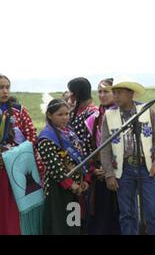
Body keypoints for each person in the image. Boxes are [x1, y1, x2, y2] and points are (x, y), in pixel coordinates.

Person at [100, 77, 155, 235]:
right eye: (114, 93)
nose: (115, 96)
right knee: (127, 213)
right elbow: (105, 147)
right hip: (123, 169)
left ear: (130, 94)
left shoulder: (146, 110)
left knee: (152, 210)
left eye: (119, 93)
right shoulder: (109, 116)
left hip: (146, 166)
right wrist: (109, 173)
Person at [37, 98, 91, 234]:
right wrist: (71, 185)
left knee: (73, 224)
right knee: (60, 225)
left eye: (67, 114)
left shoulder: (69, 132)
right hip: (58, 188)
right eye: (60, 115)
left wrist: (86, 180)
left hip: (77, 187)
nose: (65, 117)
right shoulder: (46, 138)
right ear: (49, 115)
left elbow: (83, 157)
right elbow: (54, 167)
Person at [0, 74, 44, 235]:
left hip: (15, 166)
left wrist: (14, 153)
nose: (5, 91)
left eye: (7, 87)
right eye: (1, 88)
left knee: (15, 206)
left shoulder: (18, 110)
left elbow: (32, 135)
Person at [84, 78, 121, 235]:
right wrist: (93, 169)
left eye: (106, 91)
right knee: (102, 213)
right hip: (100, 171)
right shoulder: (93, 118)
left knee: (121, 213)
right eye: (99, 91)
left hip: (121, 170)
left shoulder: (123, 115)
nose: (102, 94)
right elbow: (89, 148)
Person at [67, 77, 98, 157]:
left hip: (88, 160)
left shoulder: (93, 114)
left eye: (70, 92)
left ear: (74, 94)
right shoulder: (73, 111)